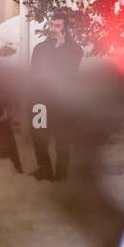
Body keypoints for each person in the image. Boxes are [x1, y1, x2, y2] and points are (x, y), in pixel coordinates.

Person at [28, 12, 82, 181]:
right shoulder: (40, 48)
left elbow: (70, 72)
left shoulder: (74, 50)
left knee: (62, 139)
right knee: (39, 137)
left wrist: (61, 48)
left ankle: (61, 176)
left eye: (58, 26)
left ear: (66, 28)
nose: (53, 29)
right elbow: (35, 72)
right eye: (52, 25)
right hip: (40, 103)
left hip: (62, 103)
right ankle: (45, 171)